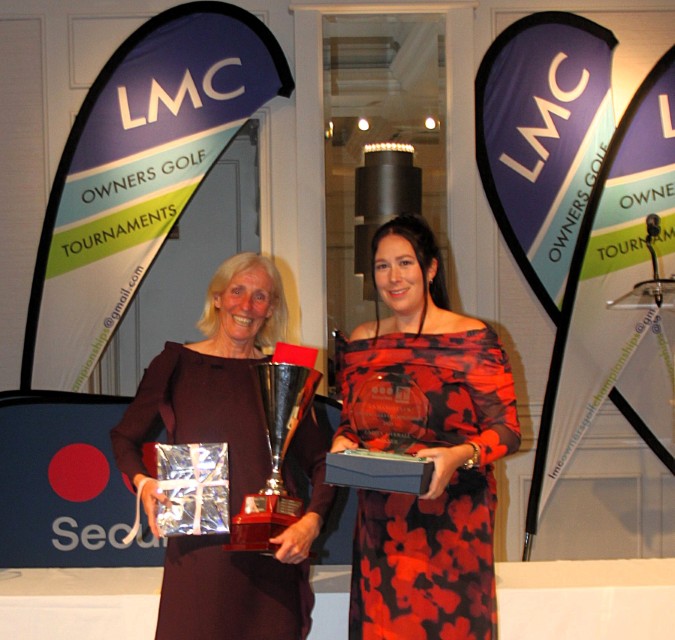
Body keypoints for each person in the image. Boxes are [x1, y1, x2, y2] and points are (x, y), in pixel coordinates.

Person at [111, 252, 335, 640]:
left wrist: (311, 522)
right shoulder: (176, 364)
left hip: (270, 558)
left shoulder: (284, 375)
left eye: (260, 296)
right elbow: (124, 438)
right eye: (237, 291)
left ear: (272, 309)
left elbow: (324, 462)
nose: (246, 305)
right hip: (199, 559)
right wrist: (144, 483)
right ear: (217, 298)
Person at [331, 214, 521, 640]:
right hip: (382, 521)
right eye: (382, 266)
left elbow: (507, 430)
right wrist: (344, 440)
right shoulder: (361, 343)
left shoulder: (472, 338)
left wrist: (459, 456)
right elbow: (352, 423)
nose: (393, 277)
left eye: (405, 263)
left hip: (454, 521)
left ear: (431, 268)